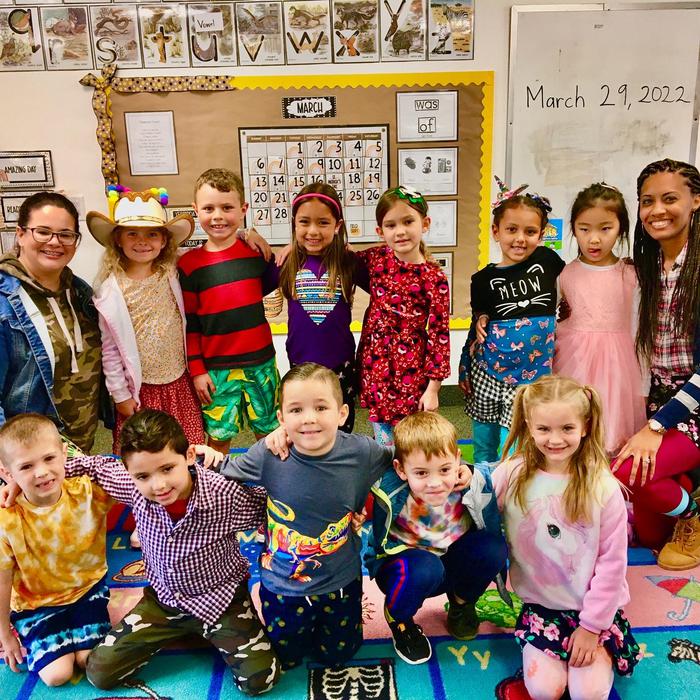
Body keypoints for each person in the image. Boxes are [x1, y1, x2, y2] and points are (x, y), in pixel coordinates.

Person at [38, 408, 280, 695]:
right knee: (99, 672)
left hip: (223, 601)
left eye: (167, 468)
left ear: (189, 456)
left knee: (260, 681)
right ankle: (194, 634)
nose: (159, 485)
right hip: (163, 603)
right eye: (143, 475)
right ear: (129, 473)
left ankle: (210, 633)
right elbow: (92, 465)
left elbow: (275, 504)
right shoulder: (129, 484)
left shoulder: (223, 493)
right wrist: (23, 479)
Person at [215, 363, 393, 670]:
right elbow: (217, 472)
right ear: (281, 418)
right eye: (296, 410)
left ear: (343, 413)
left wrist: (464, 473)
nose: (309, 418)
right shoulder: (267, 454)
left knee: (340, 656)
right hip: (283, 585)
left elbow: (407, 457)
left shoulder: (363, 452)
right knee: (287, 658)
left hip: (342, 581)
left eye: (321, 407)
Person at [493, 376, 640, 700]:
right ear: (529, 425)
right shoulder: (511, 475)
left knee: (587, 694)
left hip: (594, 612)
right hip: (542, 609)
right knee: (545, 691)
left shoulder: (603, 487)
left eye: (567, 429)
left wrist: (590, 628)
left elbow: (612, 564)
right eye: (544, 429)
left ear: (585, 426)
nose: (555, 439)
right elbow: (476, 500)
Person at [365, 411, 507, 665]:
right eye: (421, 473)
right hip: (405, 571)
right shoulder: (385, 485)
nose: (435, 483)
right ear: (400, 469)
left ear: (457, 460)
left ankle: (461, 603)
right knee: (425, 567)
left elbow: (509, 468)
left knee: (493, 549)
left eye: (444, 469)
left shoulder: (469, 481)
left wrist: (472, 472)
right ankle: (400, 620)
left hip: (449, 565)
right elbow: (340, 455)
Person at [612, 159, 700, 570]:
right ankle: (686, 493)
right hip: (662, 399)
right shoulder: (649, 268)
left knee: (629, 470)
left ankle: (693, 517)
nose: (657, 211)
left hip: (692, 406)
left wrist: (657, 426)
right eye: (647, 201)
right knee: (649, 535)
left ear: (696, 201)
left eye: (670, 199)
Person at [88, 186, 204, 454]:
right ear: (118, 239)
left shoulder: (172, 272)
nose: (143, 241)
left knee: (188, 450)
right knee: (145, 454)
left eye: (152, 234)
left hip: (179, 383)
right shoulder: (110, 292)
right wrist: (121, 395)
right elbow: (110, 350)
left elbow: (210, 252)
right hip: (142, 391)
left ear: (164, 240)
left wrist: (247, 235)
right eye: (132, 234)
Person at [0, 414, 113, 686]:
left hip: (88, 592)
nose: (41, 472)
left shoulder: (89, 490)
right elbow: (2, 581)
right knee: (56, 675)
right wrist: (4, 633)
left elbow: (123, 472)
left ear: (65, 454)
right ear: (6, 473)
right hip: (36, 605)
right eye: (26, 466)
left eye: (49, 459)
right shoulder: (7, 520)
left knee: (91, 660)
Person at [459, 177, 565, 463]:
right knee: (483, 442)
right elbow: (477, 323)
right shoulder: (482, 279)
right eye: (511, 230)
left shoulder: (548, 260)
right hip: (488, 371)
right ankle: (483, 489)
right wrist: (464, 366)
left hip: (529, 378)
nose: (520, 238)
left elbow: (580, 277)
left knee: (516, 448)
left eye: (530, 231)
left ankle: (510, 494)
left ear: (542, 234)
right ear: (496, 231)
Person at [178, 168, 279, 453]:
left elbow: (283, 274)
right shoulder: (189, 265)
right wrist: (197, 370)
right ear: (196, 210)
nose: (218, 216)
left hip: (261, 363)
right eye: (208, 208)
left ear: (243, 210)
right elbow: (192, 324)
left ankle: (275, 489)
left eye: (227, 207)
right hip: (216, 370)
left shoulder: (257, 254)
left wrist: (254, 236)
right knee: (219, 438)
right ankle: (216, 490)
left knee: (270, 433)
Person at [0, 192, 104, 452]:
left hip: (81, 444)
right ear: (21, 234)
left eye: (65, 234)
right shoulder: (5, 303)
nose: (55, 242)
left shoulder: (81, 293)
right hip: (32, 452)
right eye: (43, 232)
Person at [554, 183, 646, 454]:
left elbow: (640, 328)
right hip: (574, 362)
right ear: (573, 228)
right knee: (574, 428)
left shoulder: (630, 274)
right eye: (584, 229)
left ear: (621, 228)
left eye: (605, 229)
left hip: (620, 366)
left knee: (612, 433)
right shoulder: (564, 274)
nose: (594, 239)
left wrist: (644, 384)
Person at [356, 186, 451, 446]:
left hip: (412, 374)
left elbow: (440, 334)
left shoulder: (435, 279)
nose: (400, 231)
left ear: (425, 223)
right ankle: (387, 483)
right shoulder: (375, 259)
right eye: (391, 225)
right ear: (380, 232)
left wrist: (433, 389)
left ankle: (416, 482)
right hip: (376, 368)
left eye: (408, 221)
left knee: (412, 440)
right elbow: (334, 255)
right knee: (383, 441)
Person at [276, 182, 368, 432]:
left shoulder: (349, 262)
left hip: (341, 367)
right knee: (304, 430)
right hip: (301, 366)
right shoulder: (286, 263)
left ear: (337, 226)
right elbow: (248, 271)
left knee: (340, 430)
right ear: (294, 223)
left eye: (323, 223)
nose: (313, 231)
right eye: (304, 222)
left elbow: (388, 282)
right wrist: (246, 235)